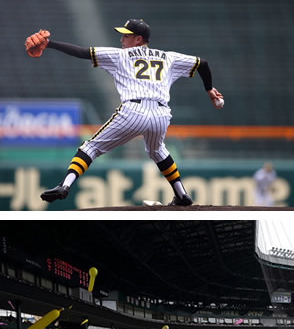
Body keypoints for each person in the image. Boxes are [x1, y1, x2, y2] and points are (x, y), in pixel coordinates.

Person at [28, 19, 224, 206]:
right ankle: (182, 194)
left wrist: (50, 43)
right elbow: (203, 64)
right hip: (161, 114)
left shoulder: (119, 55)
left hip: (133, 110)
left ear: (138, 39)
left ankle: (65, 185)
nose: (121, 39)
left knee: (90, 147)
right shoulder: (168, 57)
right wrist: (209, 89)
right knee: (157, 151)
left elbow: (81, 52)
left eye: (126, 36)